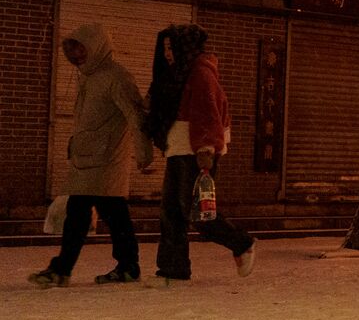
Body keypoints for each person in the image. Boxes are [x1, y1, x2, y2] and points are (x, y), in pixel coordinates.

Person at [29, 24, 154, 287]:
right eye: (72, 52)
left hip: (107, 158)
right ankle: (119, 266)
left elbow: (135, 115)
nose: (76, 57)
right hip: (86, 159)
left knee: (97, 213)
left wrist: (144, 152)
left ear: (97, 46)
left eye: (81, 50)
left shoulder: (116, 77)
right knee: (99, 213)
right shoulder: (88, 76)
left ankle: (69, 268)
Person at [144, 24, 255, 284]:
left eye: (172, 48)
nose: (168, 54)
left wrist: (207, 149)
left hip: (195, 151)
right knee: (171, 212)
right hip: (179, 149)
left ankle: (242, 242)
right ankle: (173, 269)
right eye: (165, 48)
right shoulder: (176, 75)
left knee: (198, 213)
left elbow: (209, 112)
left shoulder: (200, 73)